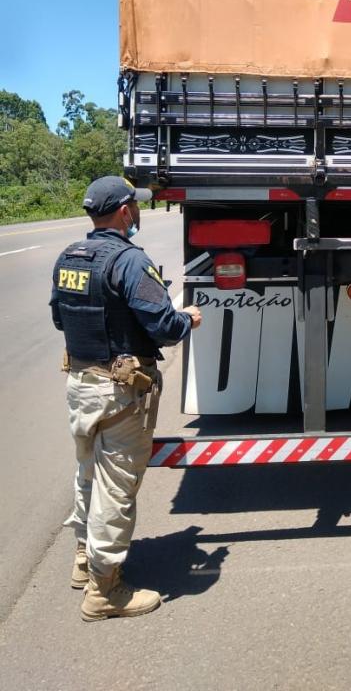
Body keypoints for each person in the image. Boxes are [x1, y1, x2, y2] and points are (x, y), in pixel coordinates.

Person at [50, 175, 201, 622]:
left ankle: (83, 561)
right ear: (123, 212)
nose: (136, 211)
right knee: (116, 488)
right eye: (134, 205)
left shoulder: (69, 257)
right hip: (119, 393)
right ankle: (104, 591)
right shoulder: (129, 261)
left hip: (80, 383)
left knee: (87, 476)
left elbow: (61, 318)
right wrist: (187, 318)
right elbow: (163, 326)